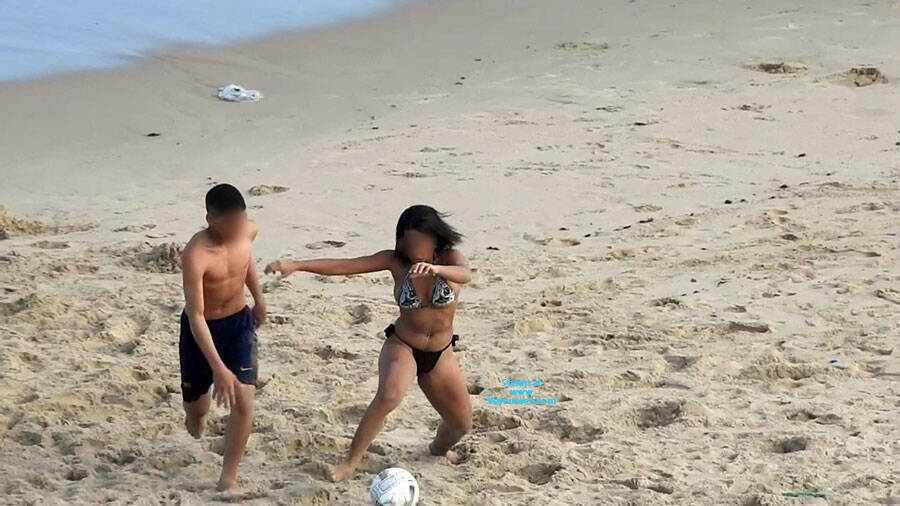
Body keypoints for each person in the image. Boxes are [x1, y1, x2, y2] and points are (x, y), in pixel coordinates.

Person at [265, 205, 473, 482]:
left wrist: (436, 269)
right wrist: (297, 265)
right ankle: (350, 463)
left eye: (420, 243)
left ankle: (437, 450)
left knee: (461, 424)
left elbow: (465, 274)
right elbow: (346, 266)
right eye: (409, 243)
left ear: (435, 238)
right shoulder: (395, 261)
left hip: (441, 353)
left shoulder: (450, 258)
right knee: (389, 396)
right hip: (404, 346)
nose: (415, 251)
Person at [179, 183, 266, 491]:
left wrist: (259, 299)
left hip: (239, 324)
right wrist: (218, 368)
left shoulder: (247, 232)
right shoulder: (195, 255)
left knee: (244, 400)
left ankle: (228, 477)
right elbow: (196, 315)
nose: (238, 230)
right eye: (230, 224)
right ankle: (198, 420)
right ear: (211, 220)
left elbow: (245, 261)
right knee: (196, 412)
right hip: (202, 330)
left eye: (241, 222)